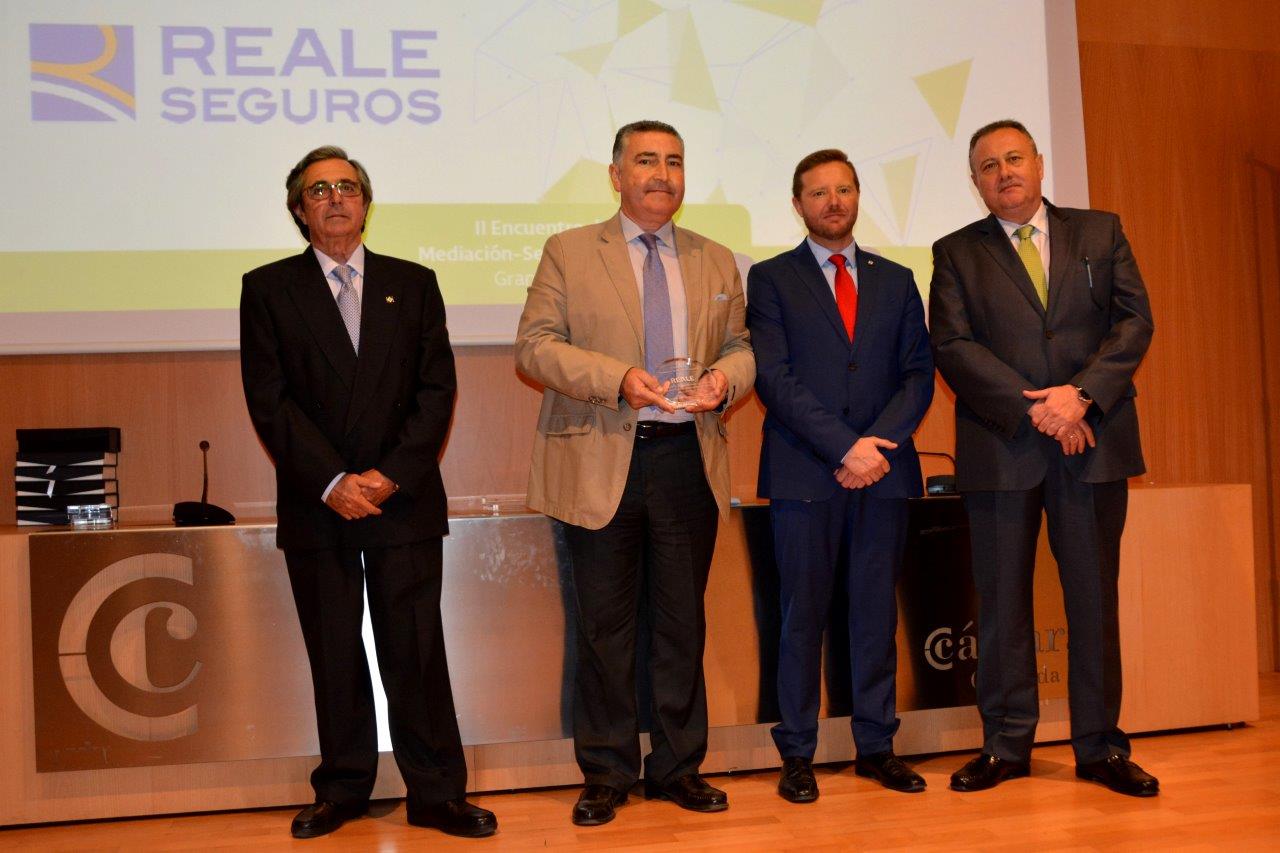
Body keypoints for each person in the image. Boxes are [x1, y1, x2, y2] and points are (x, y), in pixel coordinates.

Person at [240, 146, 498, 838]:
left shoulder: (413, 283)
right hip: (317, 500)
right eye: (319, 189)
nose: (335, 198)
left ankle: (437, 792)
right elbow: (269, 401)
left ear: (366, 202)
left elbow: (436, 390)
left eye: (347, 187)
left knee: (415, 650)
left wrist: (389, 475)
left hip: (401, 497)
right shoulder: (267, 289)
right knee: (333, 651)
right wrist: (332, 481)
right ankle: (344, 788)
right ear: (299, 209)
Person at [514, 120, 754, 826]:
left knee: (681, 624)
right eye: (646, 161)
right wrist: (616, 377)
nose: (662, 174)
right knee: (605, 629)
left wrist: (725, 380)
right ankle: (607, 770)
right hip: (599, 458)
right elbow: (534, 347)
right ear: (616, 175)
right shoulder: (568, 251)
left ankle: (678, 766)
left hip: (687, 459)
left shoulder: (716, 258)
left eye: (674, 162)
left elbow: (742, 346)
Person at [929, 120, 1158, 796]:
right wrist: (1039, 409)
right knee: (1001, 604)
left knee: (1093, 600)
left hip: (1092, 443)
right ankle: (1005, 745)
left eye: (1013, 158)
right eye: (988, 165)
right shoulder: (955, 252)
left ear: (1039, 162)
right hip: (1003, 446)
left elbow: (1134, 321)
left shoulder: (1100, 232)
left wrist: (1080, 396)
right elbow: (952, 345)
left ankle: (1101, 747)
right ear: (976, 182)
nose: (1004, 172)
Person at [746, 149, 934, 803]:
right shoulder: (771, 278)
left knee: (875, 616)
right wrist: (844, 447)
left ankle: (877, 747)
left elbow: (918, 374)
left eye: (844, 189)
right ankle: (797, 753)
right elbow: (774, 378)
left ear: (858, 196)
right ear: (798, 204)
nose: (834, 202)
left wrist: (875, 447)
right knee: (801, 618)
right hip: (806, 473)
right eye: (819, 192)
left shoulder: (897, 279)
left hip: (883, 472)